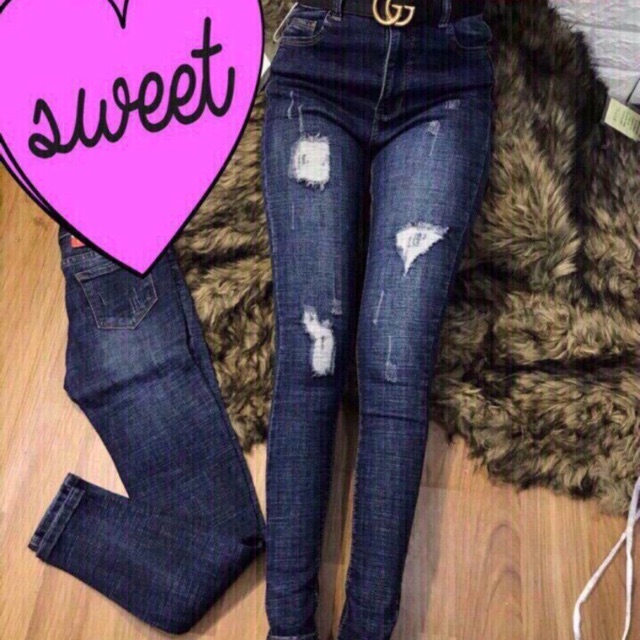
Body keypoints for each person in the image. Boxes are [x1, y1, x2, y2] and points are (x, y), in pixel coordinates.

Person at [260, 1, 494, 638]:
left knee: (396, 366)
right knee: (312, 360)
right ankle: (287, 630)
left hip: (445, 73)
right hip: (322, 57)